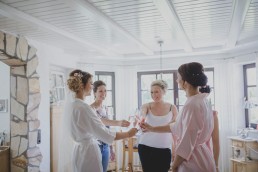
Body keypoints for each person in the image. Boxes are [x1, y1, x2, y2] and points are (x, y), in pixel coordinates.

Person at [140, 62, 216, 172]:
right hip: (202, 155)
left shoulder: (192, 105)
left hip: (193, 160)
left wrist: (174, 166)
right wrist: (151, 128)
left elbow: (187, 142)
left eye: (178, 78)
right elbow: (176, 126)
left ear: (185, 82)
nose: (176, 81)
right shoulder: (203, 100)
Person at [59, 69, 137, 172]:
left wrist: (118, 123)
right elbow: (105, 133)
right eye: (90, 83)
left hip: (79, 151)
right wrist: (128, 134)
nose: (92, 86)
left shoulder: (73, 105)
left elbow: (99, 123)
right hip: (88, 153)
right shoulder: (84, 108)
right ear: (82, 85)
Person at [137, 80, 178, 172]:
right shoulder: (147, 106)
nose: (154, 95)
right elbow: (143, 113)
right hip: (145, 146)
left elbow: (175, 130)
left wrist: (175, 148)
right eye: (151, 92)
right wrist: (142, 119)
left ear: (164, 92)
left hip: (164, 148)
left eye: (156, 91)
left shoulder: (172, 108)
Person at [91, 80, 130, 172]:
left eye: (105, 91)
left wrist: (111, 147)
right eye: (100, 91)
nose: (103, 93)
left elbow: (107, 129)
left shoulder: (106, 108)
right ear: (94, 92)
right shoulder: (90, 108)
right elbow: (100, 122)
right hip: (96, 145)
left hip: (106, 145)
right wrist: (119, 122)